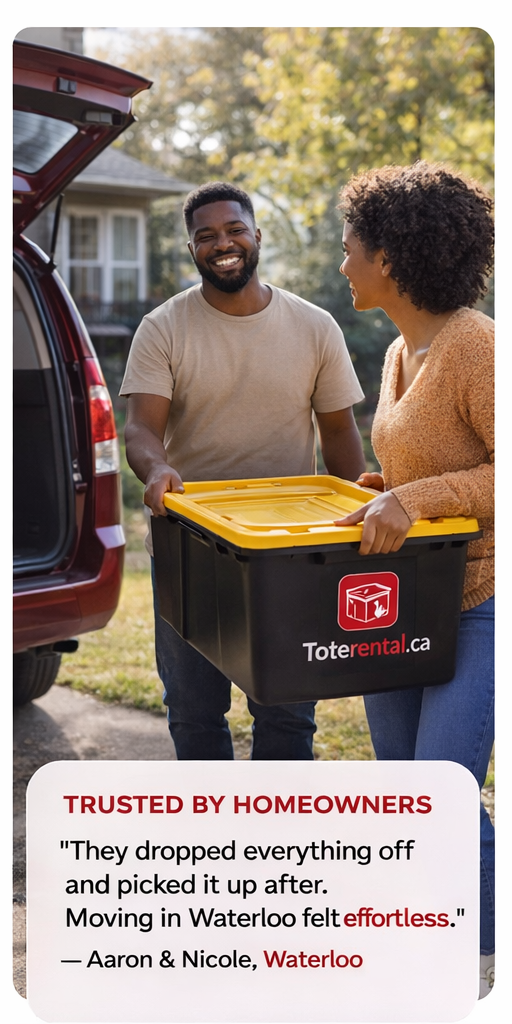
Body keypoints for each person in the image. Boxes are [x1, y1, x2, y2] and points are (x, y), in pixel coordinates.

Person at [120, 180, 365, 761]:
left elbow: (338, 434)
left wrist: (359, 512)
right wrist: (156, 469)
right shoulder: (163, 328)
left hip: (288, 552)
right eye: (205, 236)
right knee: (195, 711)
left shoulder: (315, 326)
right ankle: (215, 842)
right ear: (192, 249)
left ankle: (276, 843)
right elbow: (141, 430)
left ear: (257, 236)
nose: (221, 243)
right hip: (190, 546)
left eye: (233, 230)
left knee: (287, 713)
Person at [335, 162, 494, 997]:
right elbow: (417, 460)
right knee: (405, 799)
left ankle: (482, 973)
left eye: (350, 247)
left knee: (439, 797)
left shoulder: (476, 344)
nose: (343, 263)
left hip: (480, 602)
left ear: (389, 258)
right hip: (409, 601)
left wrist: (417, 495)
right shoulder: (403, 348)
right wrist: (375, 490)